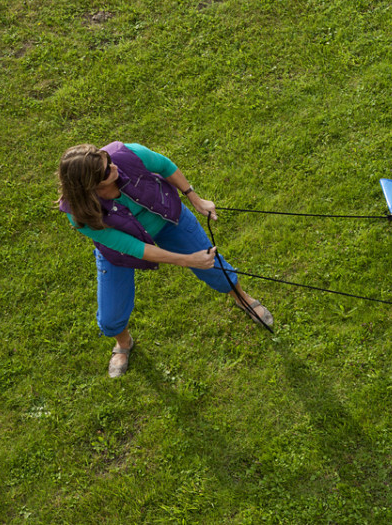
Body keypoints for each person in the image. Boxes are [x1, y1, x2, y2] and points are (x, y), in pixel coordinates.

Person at [56, 141, 273, 378]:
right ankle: (123, 342)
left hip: (168, 218)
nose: (114, 166)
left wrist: (195, 198)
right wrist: (188, 260)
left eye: (106, 158)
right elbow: (134, 248)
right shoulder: (78, 214)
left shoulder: (125, 154)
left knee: (215, 268)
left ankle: (242, 298)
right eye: (106, 171)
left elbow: (163, 165)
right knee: (110, 318)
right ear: (90, 186)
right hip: (122, 247)